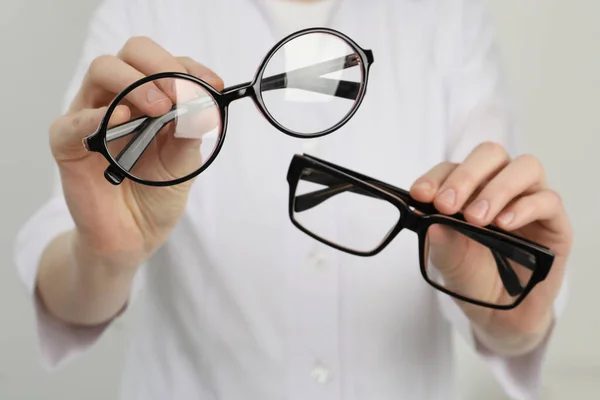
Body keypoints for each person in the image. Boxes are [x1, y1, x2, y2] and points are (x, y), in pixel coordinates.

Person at [14, 0, 572, 399]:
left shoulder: (447, 17)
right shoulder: (147, 12)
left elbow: (499, 251)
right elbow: (67, 292)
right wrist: (105, 256)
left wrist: (513, 317)